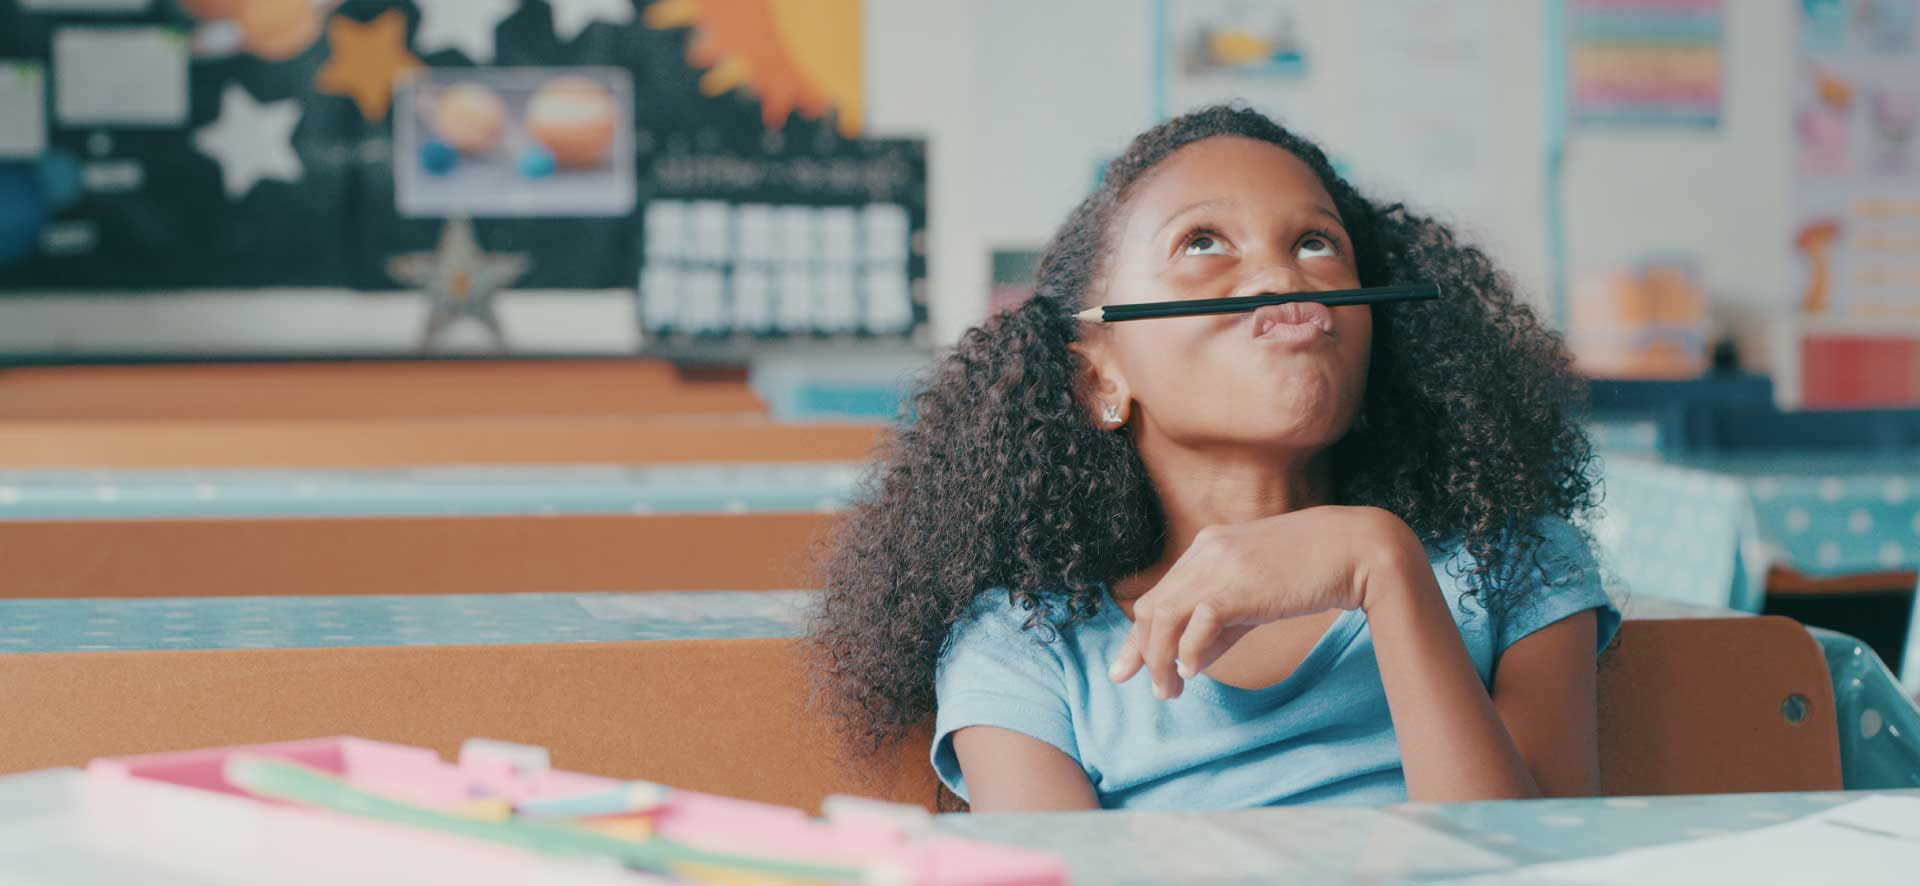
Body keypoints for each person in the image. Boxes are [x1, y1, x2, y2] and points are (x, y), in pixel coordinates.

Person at [807, 104, 1618, 811]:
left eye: (1316, 242)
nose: (1280, 273)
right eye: (1201, 242)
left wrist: (1381, 564)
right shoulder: (1026, 646)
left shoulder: (1514, 566)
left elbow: (1533, 864)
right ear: (1100, 375)